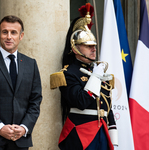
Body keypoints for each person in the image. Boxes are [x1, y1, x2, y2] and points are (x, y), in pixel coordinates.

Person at [52, 3, 118, 150]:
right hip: (80, 132)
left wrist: (112, 130)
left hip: (102, 130)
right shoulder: (68, 73)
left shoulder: (97, 70)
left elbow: (107, 103)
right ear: (75, 48)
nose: (93, 48)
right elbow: (81, 101)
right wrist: (95, 77)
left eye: (93, 45)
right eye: (88, 45)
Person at [0, 15, 42, 150]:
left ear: (21, 36)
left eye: (13, 32)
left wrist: (24, 127)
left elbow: (35, 100)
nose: (9, 36)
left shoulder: (31, 64)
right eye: (5, 32)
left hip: (20, 139)